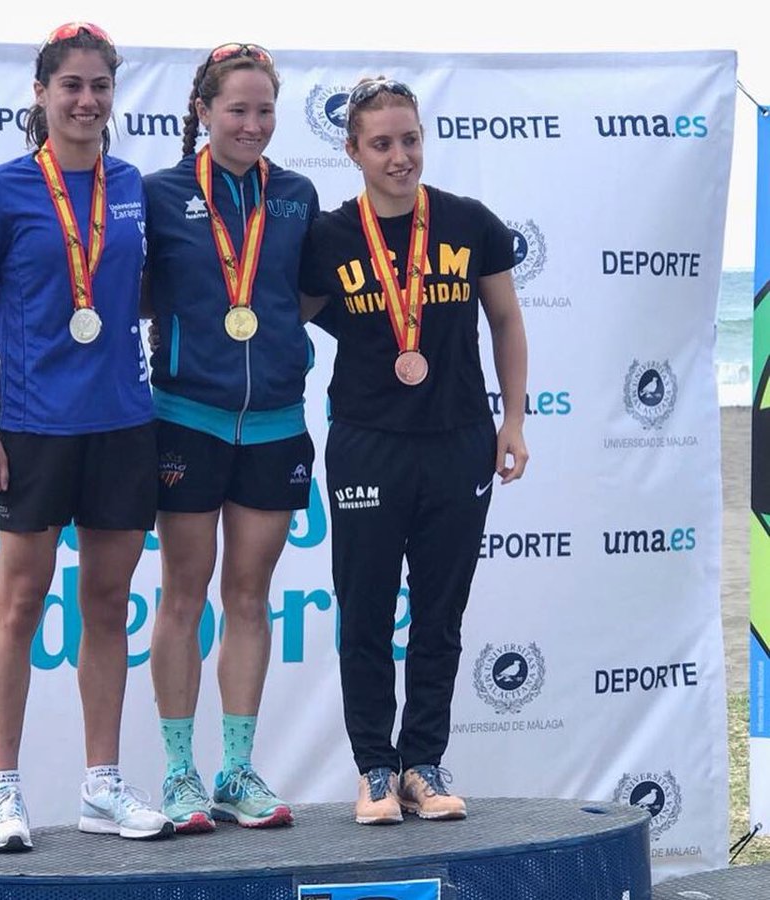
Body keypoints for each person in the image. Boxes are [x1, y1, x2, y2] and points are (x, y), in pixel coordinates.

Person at [0, 23, 171, 851]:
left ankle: (101, 787)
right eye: (71, 85)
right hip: (35, 428)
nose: (86, 100)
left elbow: (140, 291)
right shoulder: (1, 190)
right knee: (19, 603)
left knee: (107, 605)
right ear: (40, 94)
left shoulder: (132, 186)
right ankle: (3, 793)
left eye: (100, 86)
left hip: (123, 423)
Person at [299, 77, 529, 825]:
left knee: (439, 615)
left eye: (410, 139)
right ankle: (374, 769)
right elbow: (288, 319)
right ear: (352, 150)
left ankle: (423, 765)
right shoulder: (330, 237)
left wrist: (513, 420)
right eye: (382, 144)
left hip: (459, 441)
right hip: (367, 445)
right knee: (365, 613)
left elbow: (506, 321)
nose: (400, 157)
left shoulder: (469, 223)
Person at [142, 43, 319, 832]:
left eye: (265, 110)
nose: (252, 124)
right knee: (184, 594)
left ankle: (236, 771)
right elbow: (139, 292)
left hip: (275, 421)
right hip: (188, 416)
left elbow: (301, 294)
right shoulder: (159, 194)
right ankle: (179, 774)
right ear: (204, 112)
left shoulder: (298, 196)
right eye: (237, 109)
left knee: (249, 597)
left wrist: (275, 342)